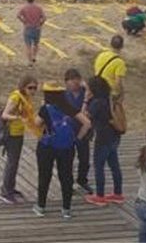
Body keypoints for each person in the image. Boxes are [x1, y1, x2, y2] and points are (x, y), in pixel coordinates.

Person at [32, 82, 91, 219]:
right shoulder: (68, 107)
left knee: (44, 175)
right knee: (66, 177)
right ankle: (66, 209)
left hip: (47, 145)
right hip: (66, 147)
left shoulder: (45, 109)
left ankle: (41, 207)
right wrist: (78, 138)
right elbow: (87, 123)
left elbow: (36, 123)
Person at [84, 75, 124, 206]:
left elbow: (85, 116)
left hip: (102, 137)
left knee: (99, 166)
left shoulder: (96, 103)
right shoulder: (108, 98)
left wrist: (85, 101)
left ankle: (100, 195)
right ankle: (118, 193)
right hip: (114, 135)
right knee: (114, 165)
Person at [0, 75, 40, 204]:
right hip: (12, 133)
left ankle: (10, 188)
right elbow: (5, 115)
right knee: (12, 163)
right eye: (30, 88)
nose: (33, 91)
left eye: (35, 88)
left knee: (15, 162)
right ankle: (6, 192)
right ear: (23, 87)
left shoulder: (26, 97)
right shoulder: (16, 97)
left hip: (19, 132)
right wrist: (18, 118)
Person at [63, 69, 93, 194]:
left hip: (83, 129)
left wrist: (86, 88)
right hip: (68, 129)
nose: (75, 85)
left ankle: (82, 180)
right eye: (72, 83)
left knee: (84, 158)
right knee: (68, 158)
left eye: (77, 82)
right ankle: (68, 183)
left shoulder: (86, 94)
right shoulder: (63, 95)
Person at [93, 35, 126, 102]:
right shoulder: (119, 62)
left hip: (96, 86)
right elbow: (118, 82)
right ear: (122, 46)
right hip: (109, 90)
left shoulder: (101, 55)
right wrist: (121, 93)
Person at [17, 0, 46, 67]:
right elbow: (44, 17)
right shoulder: (38, 8)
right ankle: (34, 57)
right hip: (37, 28)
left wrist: (23, 21)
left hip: (28, 28)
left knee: (28, 46)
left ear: (26, 0)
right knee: (36, 44)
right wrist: (40, 24)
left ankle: (30, 62)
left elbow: (18, 15)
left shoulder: (24, 8)